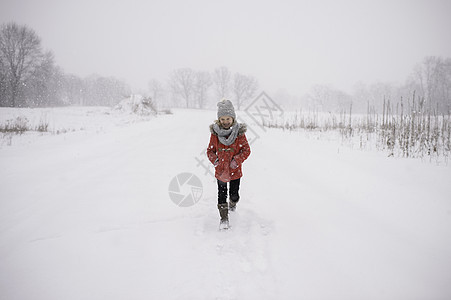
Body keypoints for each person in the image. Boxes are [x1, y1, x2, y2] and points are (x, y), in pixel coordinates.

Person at [207, 99, 251, 229]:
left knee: (234, 194)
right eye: (222, 119)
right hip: (221, 171)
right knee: (221, 194)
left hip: (235, 171)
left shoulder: (239, 133)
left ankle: (233, 203)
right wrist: (215, 160)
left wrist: (236, 161)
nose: (225, 122)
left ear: (233, 118)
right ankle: (224, 218)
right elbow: (210, 150)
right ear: (219, 120)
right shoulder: (215, 134)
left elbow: (246, 150)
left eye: (228, 119)